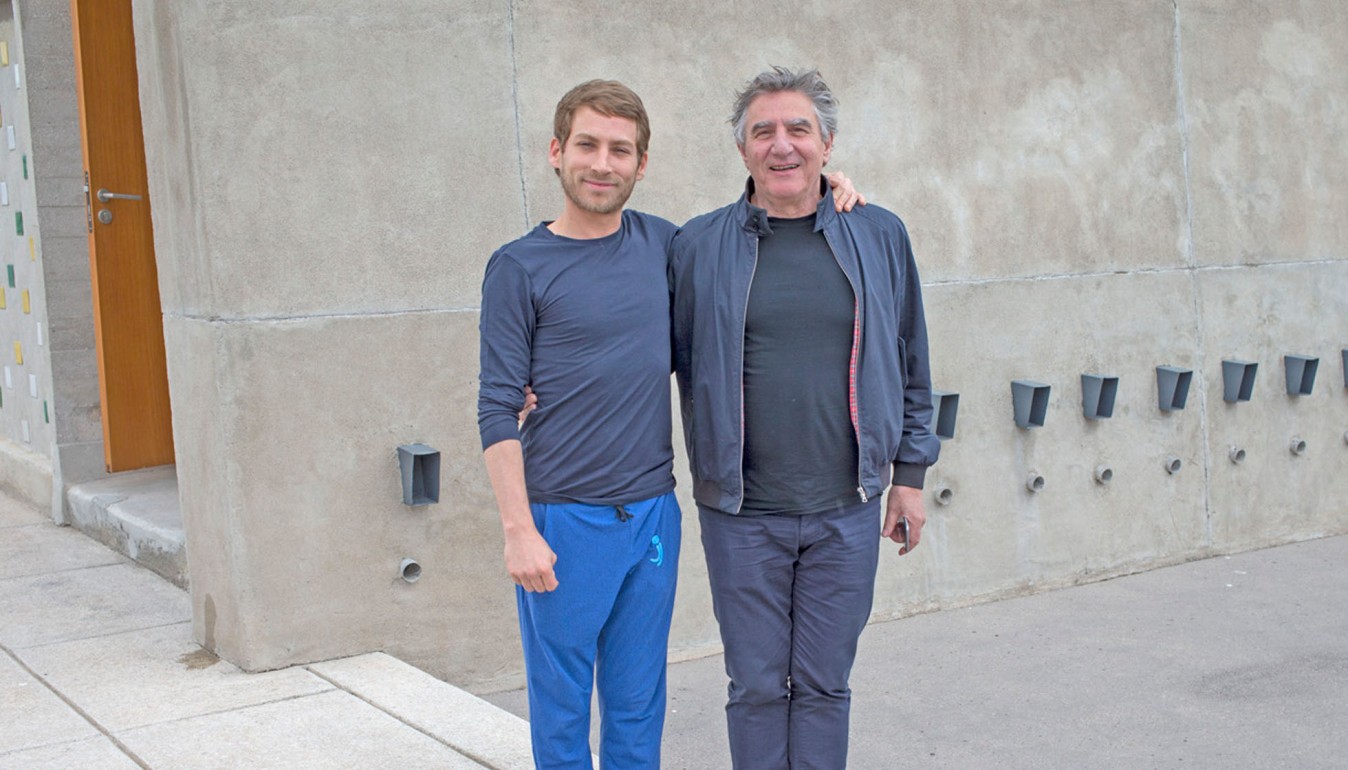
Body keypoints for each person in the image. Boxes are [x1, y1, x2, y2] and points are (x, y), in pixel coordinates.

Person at [477, 79, 862, 769]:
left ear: (642, 163)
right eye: (588, 146)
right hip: (563, 518)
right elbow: (496, 406)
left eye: (620, 150)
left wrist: (832, 189)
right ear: (557, 152)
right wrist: (518, 531)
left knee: (637, 704)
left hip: (653, 513)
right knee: (562, 709)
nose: (603, 164)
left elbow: (766, 217)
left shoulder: (667, 246)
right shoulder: (518, 267)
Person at [669, 66, 941, 769]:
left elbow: (911, 359)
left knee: (825, 686)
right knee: (756, 688)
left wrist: (909, 478)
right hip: (741, 514)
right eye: (763, 132)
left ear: (827, 144)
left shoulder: (877, 234)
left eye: (799, 130)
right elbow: (645, 350)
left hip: (846, 510)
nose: (782, 145)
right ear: (743, 149)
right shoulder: (697, 246)